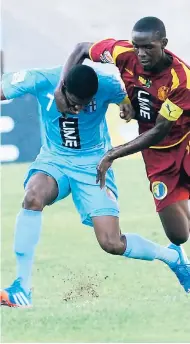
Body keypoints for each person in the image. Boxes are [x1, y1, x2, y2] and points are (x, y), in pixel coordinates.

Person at [56, 16, 190, 293]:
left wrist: (113, 154)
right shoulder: (121, 53)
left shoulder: (181, 80)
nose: (141, 53)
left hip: (184, 142)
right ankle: (178, 254)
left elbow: (160, 130)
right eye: (137, 46)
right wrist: (62, 87)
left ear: (163, 44)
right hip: (157, 158)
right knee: (179, 235)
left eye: (148, 47)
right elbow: (81, 48)